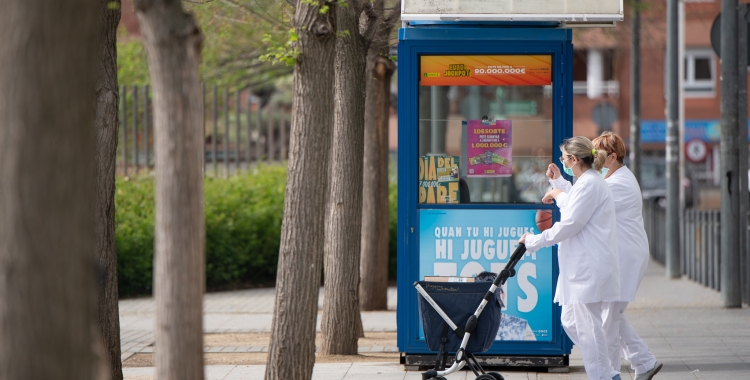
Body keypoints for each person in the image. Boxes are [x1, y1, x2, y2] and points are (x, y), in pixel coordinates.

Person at [546, 132, 662, 380]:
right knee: (604, 317)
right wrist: (560, 183)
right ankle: (639, 362)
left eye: (598, 154)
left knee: (609, 318)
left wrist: (559, 191)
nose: (594, 158)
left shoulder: (618, 182)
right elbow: (581, 195)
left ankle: (613, 371)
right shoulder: (608, 178)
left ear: (612, 157)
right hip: (618, 253)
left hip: (624, 255)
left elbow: (579, 207)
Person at [518, 136, 621, 380]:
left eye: (564, 158)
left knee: (588, 327)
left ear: (574, 160)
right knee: (572, 322)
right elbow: (575, 204)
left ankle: (604, 375)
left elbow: (570, 223)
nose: (562, 161)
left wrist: (534, 240)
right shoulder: (588, 182)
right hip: (582, 268)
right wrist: (559, 184)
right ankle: (606, 371)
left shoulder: (591, 184)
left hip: (588, 268)